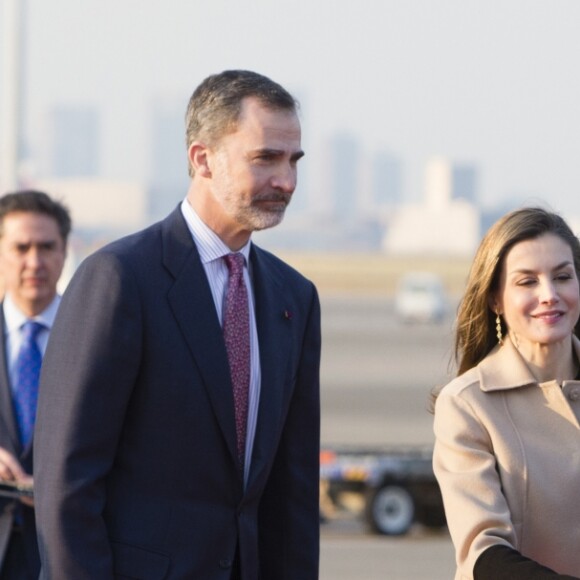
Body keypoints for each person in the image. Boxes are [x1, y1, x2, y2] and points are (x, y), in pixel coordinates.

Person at [34, 70, 321, 580]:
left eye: (293, 160)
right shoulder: (120, 279)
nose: (287, 181)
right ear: (202, 158)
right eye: (265, 159)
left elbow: (290, 491)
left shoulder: (293, 298)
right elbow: (67, 483)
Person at [433, 207, 580, 579]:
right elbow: (484, 551)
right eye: (527, 282)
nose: (549, 294)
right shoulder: (468, 404)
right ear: (496, 298)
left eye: (562, 277)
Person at [0, 190, 70, 580]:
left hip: (67, 553)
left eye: (46, 246)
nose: (34, 261)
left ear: (63, 252)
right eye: (20, 247)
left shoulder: (98, 340)